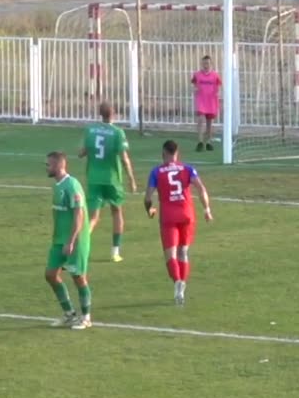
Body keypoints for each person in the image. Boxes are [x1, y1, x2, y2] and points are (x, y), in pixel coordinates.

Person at [145, 140, 213, 307]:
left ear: (164, 153)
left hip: (168, 216)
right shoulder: (188, 169)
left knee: (171, 255)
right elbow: (201, 189)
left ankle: (177, 283)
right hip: (187, 214)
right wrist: (207, 210)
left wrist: (150, 210)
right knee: (183, 253)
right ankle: (182, 285)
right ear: (177, 153)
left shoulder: (156, 172)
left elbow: (147, 197)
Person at [79, 101, 137, 262]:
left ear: (100, 113)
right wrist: (131, 179)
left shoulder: (90, 130)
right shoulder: (118, 132)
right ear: (114, 114)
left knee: (93, 218)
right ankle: (115, 252)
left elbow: (81, 152)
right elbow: (124, 159)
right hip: (112, 179)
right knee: (117, 212)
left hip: (94, 178)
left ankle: (80, 245)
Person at [44, 151, 93, 329]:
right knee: (50, 275)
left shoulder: (71, 185)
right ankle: (69, 314)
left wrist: (71, 241)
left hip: (75, 240)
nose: (46, 167)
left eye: (48, 164)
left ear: (58, 166)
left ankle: (86, 317)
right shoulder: (57, 185)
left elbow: (79, 214)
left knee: (78, 277)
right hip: (59, 239)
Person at [191, 55, 222, 152]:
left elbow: (219, 85)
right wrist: (195, 89)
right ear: (202, 64)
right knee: (200, 120)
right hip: (201, 100)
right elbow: (193, 84)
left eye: (207, 63)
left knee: (210, 123)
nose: (206, 65)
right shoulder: (197, 75)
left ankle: (208, 142)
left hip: (211, 101)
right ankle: (200, 142)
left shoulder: (215, 75)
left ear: (211, 64)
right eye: (204, 63)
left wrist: (218, 93)